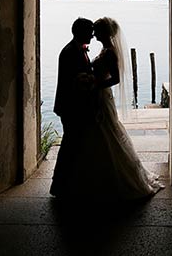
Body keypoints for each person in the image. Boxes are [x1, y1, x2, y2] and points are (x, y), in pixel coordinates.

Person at [87, 16, 164, 199]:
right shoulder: (105, 49)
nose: (93, 33)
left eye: (96, 30)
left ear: (103, 32)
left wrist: (97, 85)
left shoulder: (110, 52)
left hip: (102, 95)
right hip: (98, 94)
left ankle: (121, 176)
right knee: (102, 131)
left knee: (108, 129)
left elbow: (115, 79)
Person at [49, 17, 96, 197]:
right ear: (81, 32)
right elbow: (72, 83)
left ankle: (69, 183)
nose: (92, 35)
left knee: (74, 144)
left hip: (75, 107)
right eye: (90, 31)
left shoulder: (77, 49)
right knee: (69, 145)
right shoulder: (69, 52)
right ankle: (59, 186)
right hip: (71, 107)